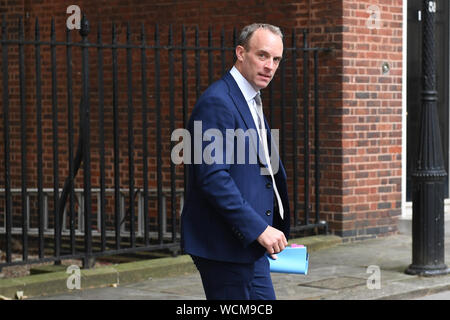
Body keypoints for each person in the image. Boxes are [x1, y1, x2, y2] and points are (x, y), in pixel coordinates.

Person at [180, 23, 290, 300]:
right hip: (224, 247)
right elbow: (213, 178)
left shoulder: (251, 99)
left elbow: (263, 168)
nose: (270, 66)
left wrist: (271, 223)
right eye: (262, 55)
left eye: (276, 59)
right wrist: (259, 228)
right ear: (240, 53)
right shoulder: (217, 102)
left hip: (250, 245)